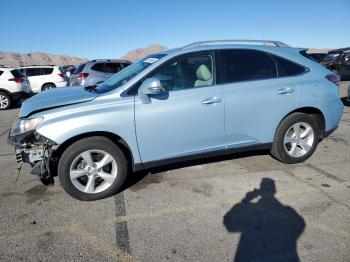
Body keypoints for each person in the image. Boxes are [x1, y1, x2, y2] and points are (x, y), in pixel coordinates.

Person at [223, 178, 305, 262]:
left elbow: (229, 224)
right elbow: (300, 224)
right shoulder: (288, 211)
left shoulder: (251, 208)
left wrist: (246, 200)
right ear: (274, 190)